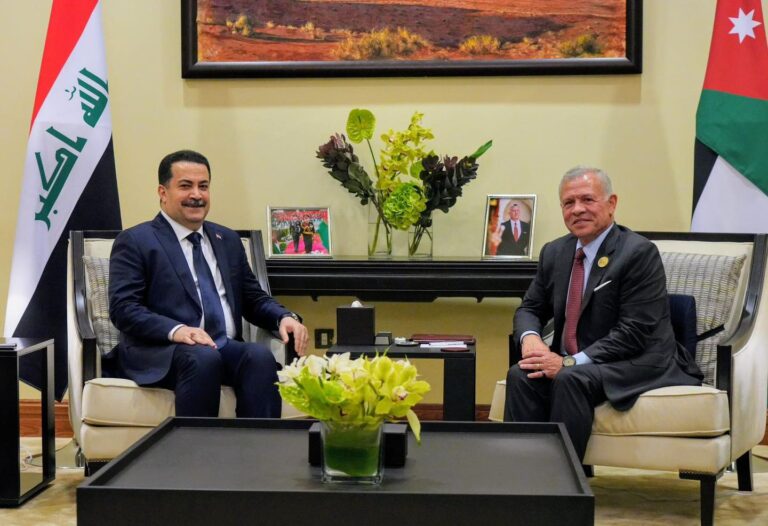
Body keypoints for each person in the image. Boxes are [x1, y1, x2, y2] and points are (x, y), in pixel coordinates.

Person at [504, 166, 702, 461]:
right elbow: (530, 307)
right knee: (522, 375)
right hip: (580, 362)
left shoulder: (638, 253)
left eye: (587, 199)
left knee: (570, 378)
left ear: (612, 204)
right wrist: (530, 339)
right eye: (568, 203)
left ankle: (563, 482)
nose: (577, 209)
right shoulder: (555, 252)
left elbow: (634, 332)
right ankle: (523, 476)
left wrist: (569, 362)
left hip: (637, 360)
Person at [109, 149, 309, 418]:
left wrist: (283, 317)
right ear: (162, 192)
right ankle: (196, 446)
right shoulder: (136, 241)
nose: (196, 195)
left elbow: (253, 298)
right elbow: (124, 309)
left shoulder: (227, 240)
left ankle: (260, 443)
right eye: (185, 186)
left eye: (203, 186)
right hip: (163, 351)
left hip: (221, 346)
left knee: (259, 357)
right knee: (202, 358)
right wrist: (177, 330)